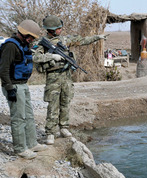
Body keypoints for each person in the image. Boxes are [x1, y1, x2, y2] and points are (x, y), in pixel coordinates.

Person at [33, 15, 107, 145]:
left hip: (66, 77)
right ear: (52, 30)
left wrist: (97, 37)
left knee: (65, 103)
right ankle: (50, 133)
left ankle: (64, 128)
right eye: (59, 28)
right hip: (53, 78)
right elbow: (35, 57)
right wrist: (51, 56)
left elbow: (82, 40)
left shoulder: (65, 40)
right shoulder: (42, 43)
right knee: (53, 105)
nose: (61, 30)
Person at [0, 20, 48, 159]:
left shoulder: (23, 45)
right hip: (13, 85)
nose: (31, 40)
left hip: (23, 84)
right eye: (31, 37)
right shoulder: (10, 46)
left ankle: (32, 143)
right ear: (24, 34)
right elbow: (3, 70)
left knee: (28, 115)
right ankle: (20, 149)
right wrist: (9, 89)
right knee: (18, 117)